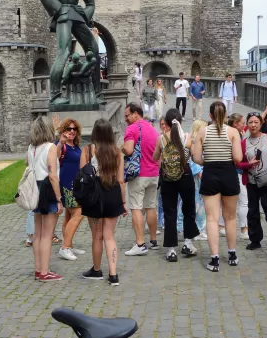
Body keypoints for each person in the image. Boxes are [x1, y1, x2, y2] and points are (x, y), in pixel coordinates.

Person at [192, 101, 243, 272]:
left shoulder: (202, 132)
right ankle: (232, 254)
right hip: (229, 173)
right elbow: (238, 157)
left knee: (212, 218)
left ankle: (214, 259)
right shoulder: (233, 132)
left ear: (211, 115)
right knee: (230, 217)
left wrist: (209, 160)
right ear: (226, 114)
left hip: (210, 173)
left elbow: (197, 158)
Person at [80, 119, 126, 286]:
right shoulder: (116, 152)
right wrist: (123, 202)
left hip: (94, 195)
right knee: (109, 236)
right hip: (113, 192)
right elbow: (121, 180)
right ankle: (113, 274)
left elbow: (83, 176)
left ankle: (97, 269)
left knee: (97, 236)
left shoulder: (88, 150)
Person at [153, 109, 198, 262]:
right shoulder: (187, 137)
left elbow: (155, 157)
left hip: (167, 178)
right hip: (185, 175)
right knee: (188, 209)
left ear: (165, 122)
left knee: (170, 212)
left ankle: (171, 250)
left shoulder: (161, 139)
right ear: (181, 121)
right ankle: (187, 243)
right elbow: (195, 157)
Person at [239, 112, 267, 253]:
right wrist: (248, 164)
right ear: (247, 124)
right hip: (252, 181)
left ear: (261, 123)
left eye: (256, 122)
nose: (253, 125)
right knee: (252, 211)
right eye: (250, 122)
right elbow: (238, 163)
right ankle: (255, 239)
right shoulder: (243, 143)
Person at [27, 116, 64, 281]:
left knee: (38, 233)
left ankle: (38, 269)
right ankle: (45, 271)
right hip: (47, 188)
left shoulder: (31, 147)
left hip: (35, 188)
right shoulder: (50, 147)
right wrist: (59, 199)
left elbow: (27, 164)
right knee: (47, 234)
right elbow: (53, 175)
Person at [122, 102, 160, 255]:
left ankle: (140, 244)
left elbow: (129, 149)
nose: (125, 119)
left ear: (135, 114)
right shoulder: (153, 129)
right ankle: (153, 240)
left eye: (127, 115)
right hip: (153, 173)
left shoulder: (132, 128)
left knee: (136, 207)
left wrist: (122, 148)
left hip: (138, 174)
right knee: (151, 207)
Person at [56, 118, 86, 262]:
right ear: (64, 131)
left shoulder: (75, 146)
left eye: (74, 129)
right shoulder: (62, 145)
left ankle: (68, 244)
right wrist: (60, 141)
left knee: (68, 217)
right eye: (68, 129)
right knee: (78, 214)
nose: (72, 131)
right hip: (67, 186)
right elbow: (54, 157)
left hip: (76, 185)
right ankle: (65, 248)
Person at [227, 113, 249, 241]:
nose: (245, 125)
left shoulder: (235, 133)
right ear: (236, 124)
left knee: (226, 201)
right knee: (243, 200)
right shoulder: (234, 135)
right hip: (237, 171)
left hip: (231, 170)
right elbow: (237, 159)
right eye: (243, 123)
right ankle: (244, 229)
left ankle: (221, 226)